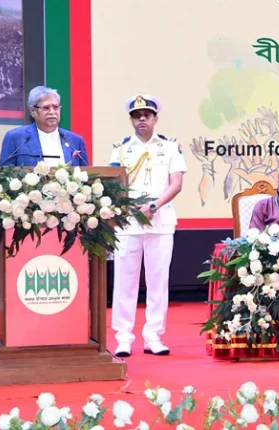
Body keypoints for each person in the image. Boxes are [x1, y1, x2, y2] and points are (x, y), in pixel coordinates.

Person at [108, 94, 187, 357]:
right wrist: (130, 207)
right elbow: (113, 183)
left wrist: (153, 206)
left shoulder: (170, 147)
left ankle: (154, 336)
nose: (141, 119)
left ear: (155, 118)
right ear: (131, 119)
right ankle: (123, 337)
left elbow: (176, 184)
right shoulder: (120, 148)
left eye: (146, 115)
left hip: (160, 221)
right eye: (136, 115)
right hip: (128, 222)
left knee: (157, 281)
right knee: (125, 281)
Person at [0, 86, 89, 167]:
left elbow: (86, 175)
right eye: (46, 108)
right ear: (32, 111)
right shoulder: (16, 138)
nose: (52, 112)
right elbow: (4, 175)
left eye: (55, 107)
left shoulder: (75, 141)